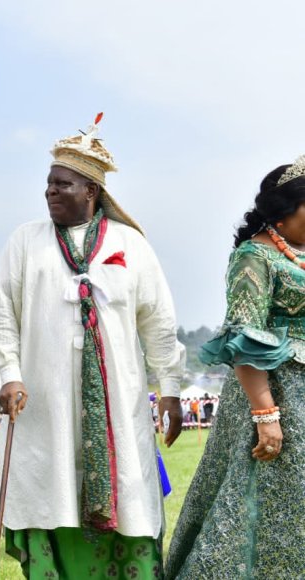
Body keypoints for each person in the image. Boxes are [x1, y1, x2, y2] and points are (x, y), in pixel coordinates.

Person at [0, 116, 185, 578]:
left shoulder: (130, 244)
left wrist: (170, 389)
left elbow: (159, 325)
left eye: (63, 184)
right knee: (49, 495)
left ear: (91, 190)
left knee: (128, 499)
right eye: (48, 183)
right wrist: (10, 373)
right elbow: (1, 318)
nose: (51, 191)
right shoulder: (25, 241)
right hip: (43, 409)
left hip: (120, 407)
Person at [166, 158, 305, 578]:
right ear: (287, 208)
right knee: (260, 502)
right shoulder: (253, 256)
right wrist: (266, 415)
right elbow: (243, 338)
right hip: (273, 399)